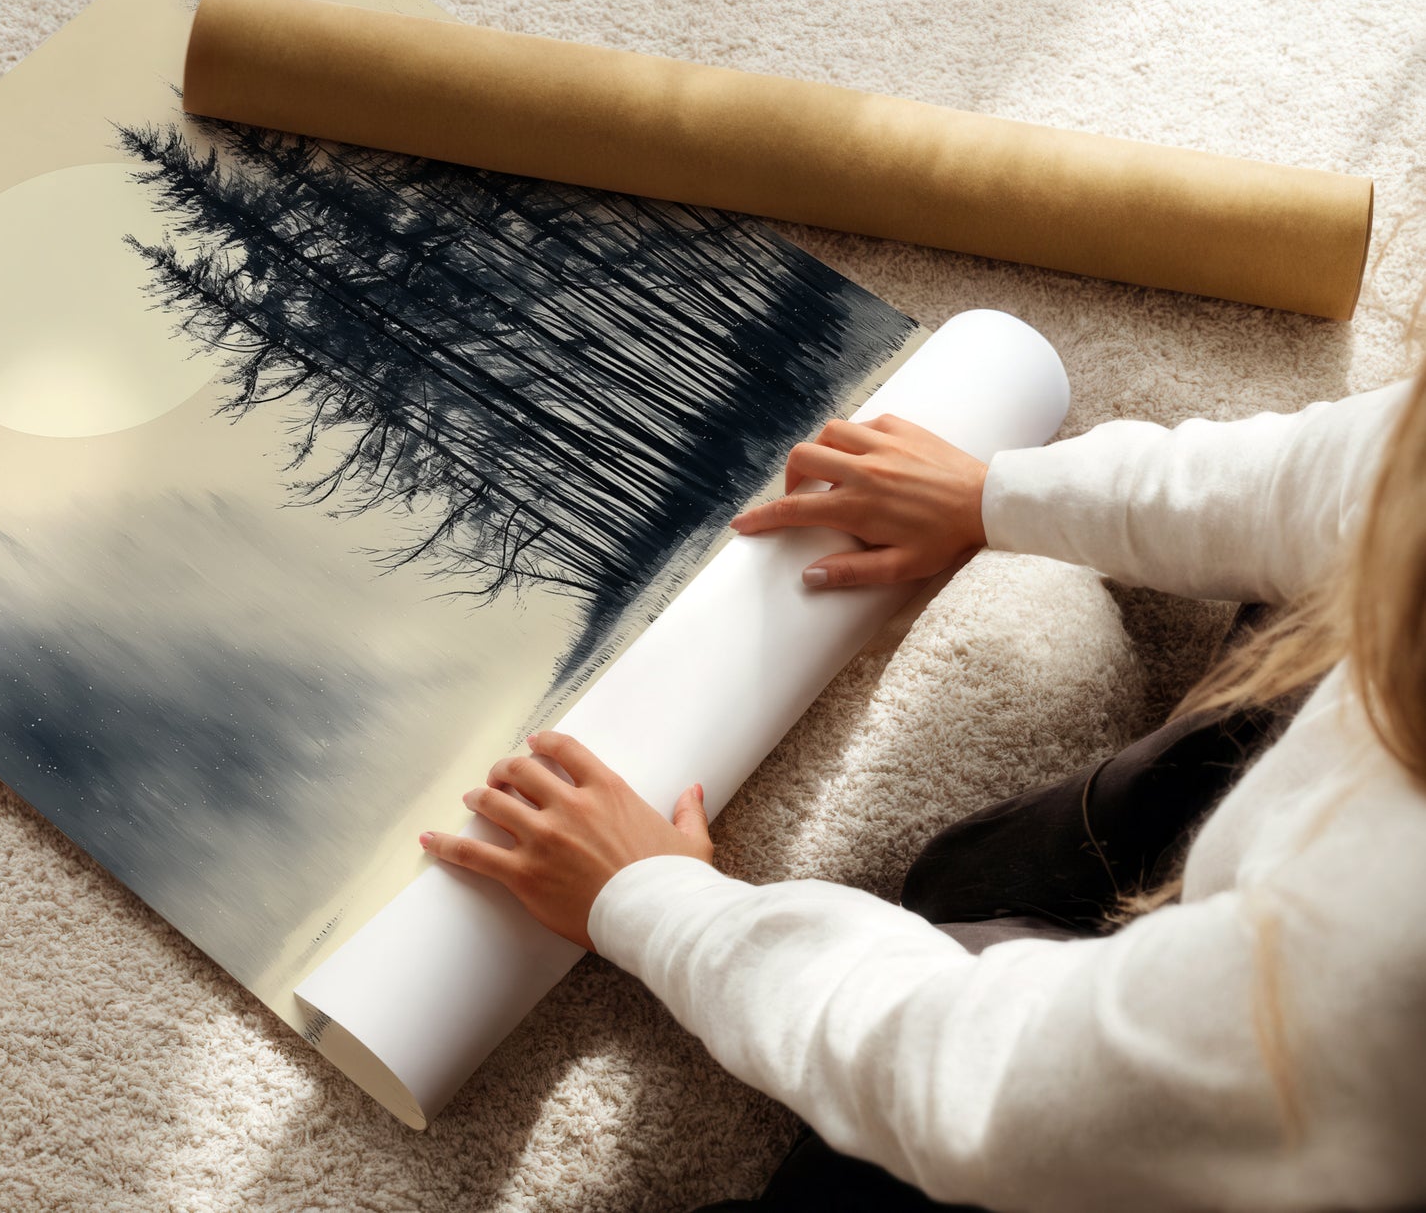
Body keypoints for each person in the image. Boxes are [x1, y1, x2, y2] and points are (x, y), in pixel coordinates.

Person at [418, 354, 1426, 1211]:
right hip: (1292, 911)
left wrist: (656, 905)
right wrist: (992, 494)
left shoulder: (1377, 961)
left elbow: (985, 1087)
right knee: (983, 873)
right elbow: (1347, 475)